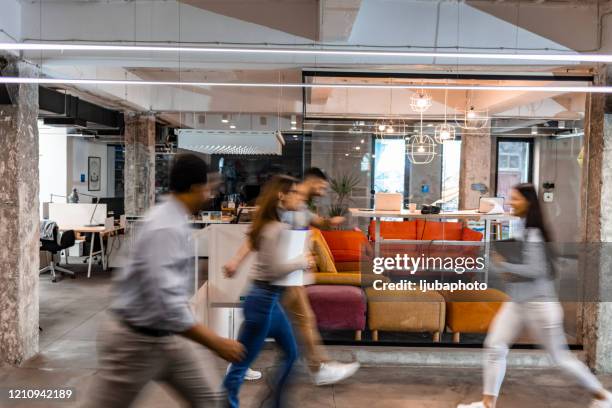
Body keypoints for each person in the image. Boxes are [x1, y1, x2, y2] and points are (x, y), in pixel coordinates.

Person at [85, 154, 244, 408]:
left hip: (168, 338)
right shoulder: (165, 227)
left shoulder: (173, 219)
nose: (209, 195)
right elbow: (165, 304)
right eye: (206, 189)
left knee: (212, 401)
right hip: (134, 343)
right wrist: (216, 342)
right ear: (194, 188)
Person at [458, 183, 612, 408]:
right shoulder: (521, 228)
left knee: (560, 358)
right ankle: (487, 403)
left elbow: (538, 270)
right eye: (510, 198)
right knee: (495, 346)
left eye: (515, 199)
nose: (510, 202)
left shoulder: (534, 234)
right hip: (517, 303)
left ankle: (603, 396)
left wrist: (504, 265)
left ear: (529, 203)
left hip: (540, 306)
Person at [224, 168, 360, 386]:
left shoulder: (300, 206)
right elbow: (256, 236)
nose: (324, 191)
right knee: (300, 320)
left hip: (288, 276)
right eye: (322, 186)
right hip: (281, 276)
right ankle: (317, 368)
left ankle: (240, 361)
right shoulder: (285, 205)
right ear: (313, 182)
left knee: (261, 323)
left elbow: (316, 221)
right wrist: (236, 261)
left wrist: (330, 222)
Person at [223, 175, 316, 408]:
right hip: (262, 302)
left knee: (292, 353)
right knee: (241, 365)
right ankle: (227, 403)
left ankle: (274, 404)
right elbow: (275, 271)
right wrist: (302, 262)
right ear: (281, 196)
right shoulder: (274, 228)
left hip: (270, 300)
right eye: (294, 193)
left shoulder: (274, 224)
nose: (299, 197)